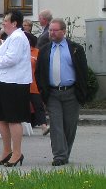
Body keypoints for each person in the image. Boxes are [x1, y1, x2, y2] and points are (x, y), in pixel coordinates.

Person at [36, 18, 89, 166]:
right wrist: (42, 91)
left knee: (69, 126)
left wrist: (82, 93)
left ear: (63, 31)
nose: (51, 33)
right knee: (56, 125)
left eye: (55, 30)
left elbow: (83, 72)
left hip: (71, 92)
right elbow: (39, 72)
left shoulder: (75, 49)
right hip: (52, 94)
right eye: (50, 30)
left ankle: (65, 154)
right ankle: (59, 156)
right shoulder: (45, 50)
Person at [0, 10, 32, 167]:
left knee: (13, 118)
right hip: (2, 81)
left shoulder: (19, 38)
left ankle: (17, 152)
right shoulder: (10, 38)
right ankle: (6, 150)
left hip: (15, 83)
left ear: (14, 23)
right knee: (1, 117)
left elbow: (11, 59)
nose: (3, 23)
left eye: (6, 20)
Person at [27, 34, 49, 135]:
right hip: (21, 83)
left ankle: (44, 126)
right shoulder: (19, 52)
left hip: (34, 84)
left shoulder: (37, 52)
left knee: (38, 105)